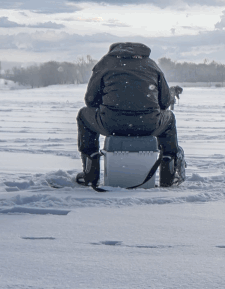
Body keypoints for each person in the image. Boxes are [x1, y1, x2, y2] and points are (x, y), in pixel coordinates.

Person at [76, 42, 183, 187]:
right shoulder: (152, 65)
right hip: (149, 125)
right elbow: (164, 103)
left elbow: (90, 101)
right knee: (169, 119)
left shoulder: (105, 63)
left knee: (84, 115)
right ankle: (168, 174)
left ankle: (90, 172)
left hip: (111, 124)